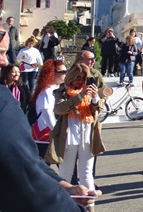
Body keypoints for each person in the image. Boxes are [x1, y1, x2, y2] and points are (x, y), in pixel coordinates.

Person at [0, 0, 99, 211]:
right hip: (65, 135)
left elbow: (30, 167)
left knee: (83, 174)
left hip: (83, 135)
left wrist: (62, 187)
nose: (5, 62)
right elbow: (29, 184)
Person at [45, 63, 106, 197]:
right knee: (65, 174)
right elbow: (59, 109)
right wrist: (79, 97)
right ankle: (65, 206)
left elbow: (98, 110)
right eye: (78, 78)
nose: (80, 81)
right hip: (68, 136)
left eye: (83, 78)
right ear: (71, 77)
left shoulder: (89, 91)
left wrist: (95, 97)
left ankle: (90, 207)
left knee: (86, 173)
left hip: (87, 135)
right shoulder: (62, 91)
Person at [30, 58, 67, 160]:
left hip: (51, 133)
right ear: (52, 74)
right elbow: (47, 114)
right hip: (44, 134)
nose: (65, 74)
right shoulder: (46, 91)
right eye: (62, 72)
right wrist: (58, 132)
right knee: (42, 169)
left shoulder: (59, 90)